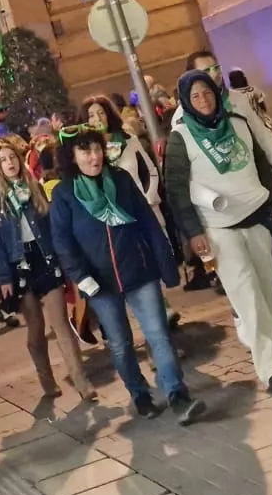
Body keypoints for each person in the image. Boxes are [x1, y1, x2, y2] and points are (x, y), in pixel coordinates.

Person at [48, 126, 204, 423]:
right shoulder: (65, 194)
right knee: (120, 343)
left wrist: (166, 262)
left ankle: (177, 394)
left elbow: (148, 222)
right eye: (85, 151)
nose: (94, 157)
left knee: (159, 334)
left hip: (139, 271)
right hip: (100, 284)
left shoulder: (120, 179)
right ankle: (139, 394)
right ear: (72, 156)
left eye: (96, 149)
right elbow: (62, 241)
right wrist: (81, 276)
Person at [161, 69, 272, 392]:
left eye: (207, 93)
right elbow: (176, 189)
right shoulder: (181, 137)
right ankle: (270, 367)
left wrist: (268, 197)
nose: (203, 100)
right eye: (194, 96)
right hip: (218, 229)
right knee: (247, 296)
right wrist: (194, 232)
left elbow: (259, 159)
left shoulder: (237, 121)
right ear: (185, 102)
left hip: (255, 218)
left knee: (266, 289)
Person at [187, 51, 272, 342]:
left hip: (258, 196)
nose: (214, 74)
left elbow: (264, 136)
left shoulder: (238, 101)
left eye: (216, 68)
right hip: (222, 209)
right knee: (238, 270)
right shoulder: (185, 116)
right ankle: (244, 317)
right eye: (205, 71)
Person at [0, 138, 95, 400]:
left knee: (61, 323)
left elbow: (52, 226)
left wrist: (63, 258)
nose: (10, 163)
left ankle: (81, 380)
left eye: (13, 158)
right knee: (36, 326)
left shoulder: (35, 186)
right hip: (18, 264)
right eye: (4, 161)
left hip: (45, 257)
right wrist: (4, 277)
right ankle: (46, 379)